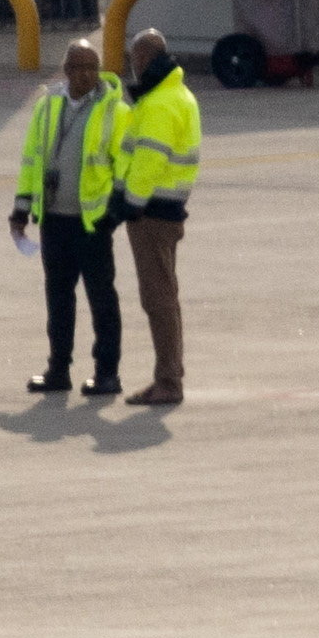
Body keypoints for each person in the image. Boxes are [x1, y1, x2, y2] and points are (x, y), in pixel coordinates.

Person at [12, 37, 126, 397]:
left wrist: (114, 212)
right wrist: (21, 207)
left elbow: (123, 166)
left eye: (94, 67)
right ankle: (58, 368)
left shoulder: (114, 110)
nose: (89, 75)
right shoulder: (47, 107)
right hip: (54, 220)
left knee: (101, 298)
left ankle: (107, 372)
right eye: (82, 68)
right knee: (59, 298)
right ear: (67, 70)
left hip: (92, 222)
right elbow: (32, 159)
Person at [114, 27, 205, 406]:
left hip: (152, 215)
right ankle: (169, 376)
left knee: (158, 297)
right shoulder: (173, 95)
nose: (132, 67)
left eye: (135, 59)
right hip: (164, 211)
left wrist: (128, 205)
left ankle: (168, 380)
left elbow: (149, 162)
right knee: (164, 294)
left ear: (146, 59)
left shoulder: (160, 103)